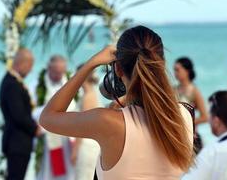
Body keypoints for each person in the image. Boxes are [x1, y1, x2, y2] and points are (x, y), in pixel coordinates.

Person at [40, 26, 194, 180]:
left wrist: (91, 63)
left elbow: (47, 118)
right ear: (161, 64)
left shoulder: (108, 122)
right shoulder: (186, 114)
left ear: (118, 69)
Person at [31, 55, 76, 180]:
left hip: (67, 137)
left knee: (70, 171)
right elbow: (32, 111)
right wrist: (50, 110)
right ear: (48, 68)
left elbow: (77, 106)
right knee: (47, 172)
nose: (58, 75)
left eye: (61, 72)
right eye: (56, 72)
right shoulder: (37, 85)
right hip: (47, 136)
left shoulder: (70, 81)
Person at [0, 48, 40, 180]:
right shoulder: (12, 84)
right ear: (23, 63)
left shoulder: (13, 81)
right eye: (30, 66)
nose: (30, 70)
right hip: (17, 142)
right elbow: (18, 115)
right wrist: (35, 129)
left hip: (18, 141)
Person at [71, 65, 100, 180]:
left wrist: (75, 150)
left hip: (86, 145)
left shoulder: (88, 97)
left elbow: (83, 127)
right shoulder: (90, 94)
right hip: (90, 144)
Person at [174, 57, 208, 152]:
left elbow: (205, 117)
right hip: (176, 136)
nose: (175, 73)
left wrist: (187, 122)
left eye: (178, 70)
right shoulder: (173, 90)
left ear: (187, 71)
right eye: (174, 70)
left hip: (191, 136)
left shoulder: (194, 91)